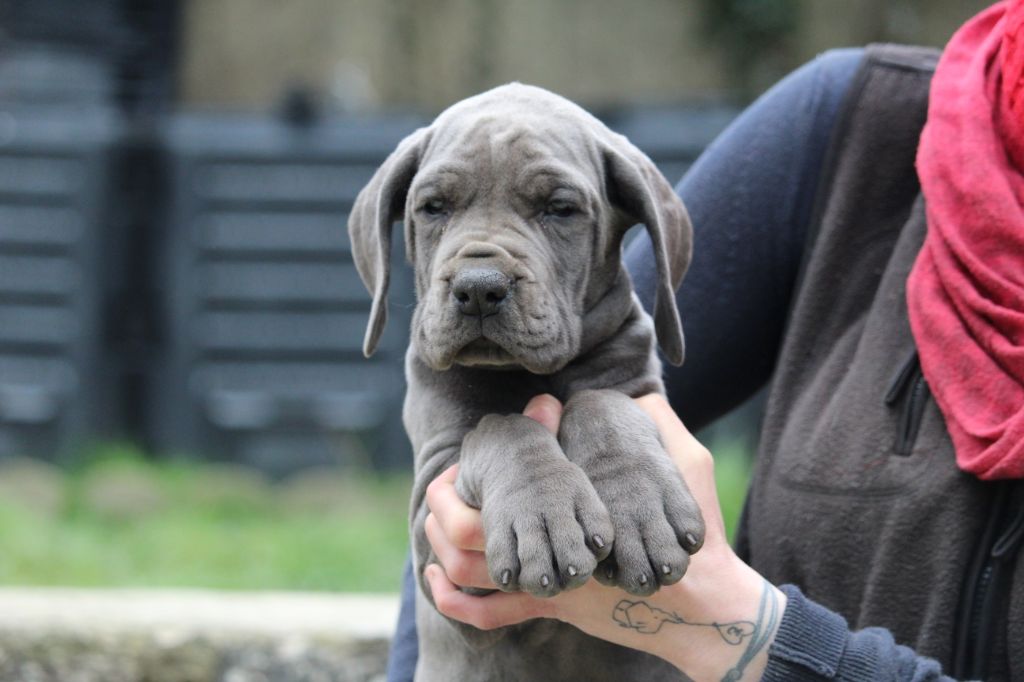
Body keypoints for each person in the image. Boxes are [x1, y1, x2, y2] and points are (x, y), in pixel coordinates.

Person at [386, 1, 1024, 679]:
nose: (481, 273)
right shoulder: (850, 125)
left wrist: (744, 631)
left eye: (557, 208)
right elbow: (457, 516)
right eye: (436, 207)